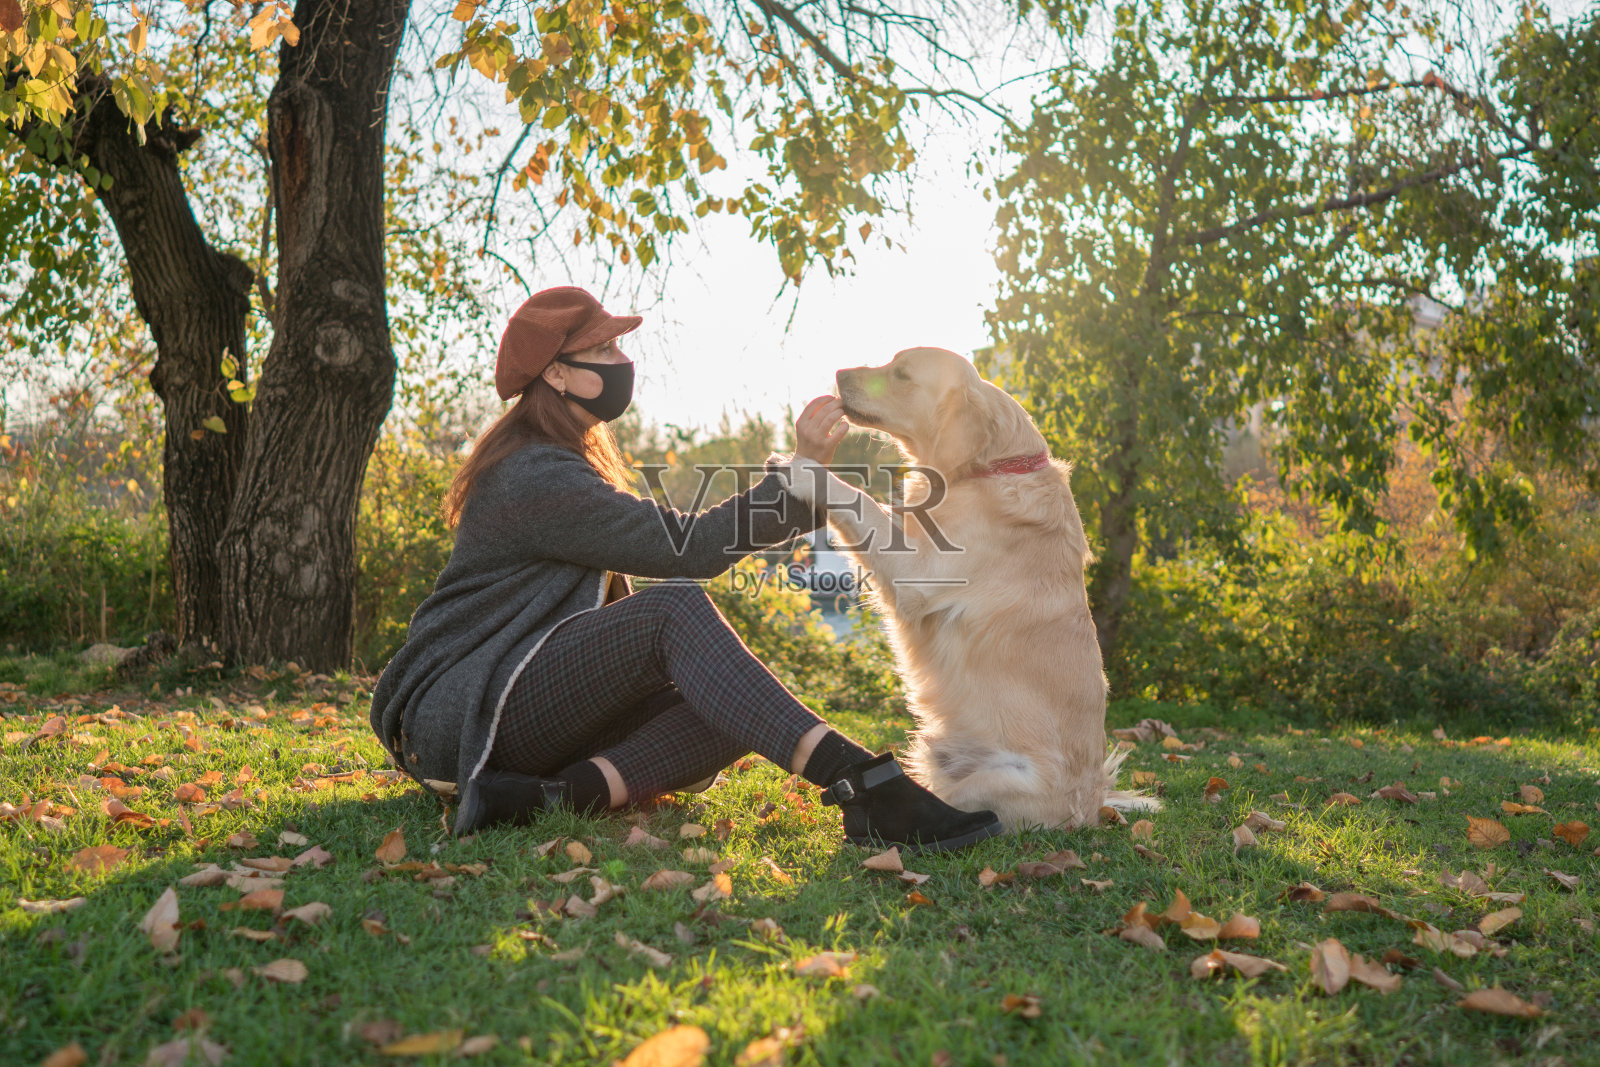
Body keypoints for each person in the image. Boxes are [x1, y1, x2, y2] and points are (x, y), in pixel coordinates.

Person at [368, 286, 1002, 853]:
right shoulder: (531, 473)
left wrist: (808, 467)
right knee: (675, 606)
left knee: (732, 704)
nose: (624, 362)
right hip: (462, 715)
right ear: (558, 373)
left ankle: (545, 799)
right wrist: (800, 477)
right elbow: (687, 547)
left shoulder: (556, 460)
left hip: (514, 707)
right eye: (606, 350)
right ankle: (864, 783)